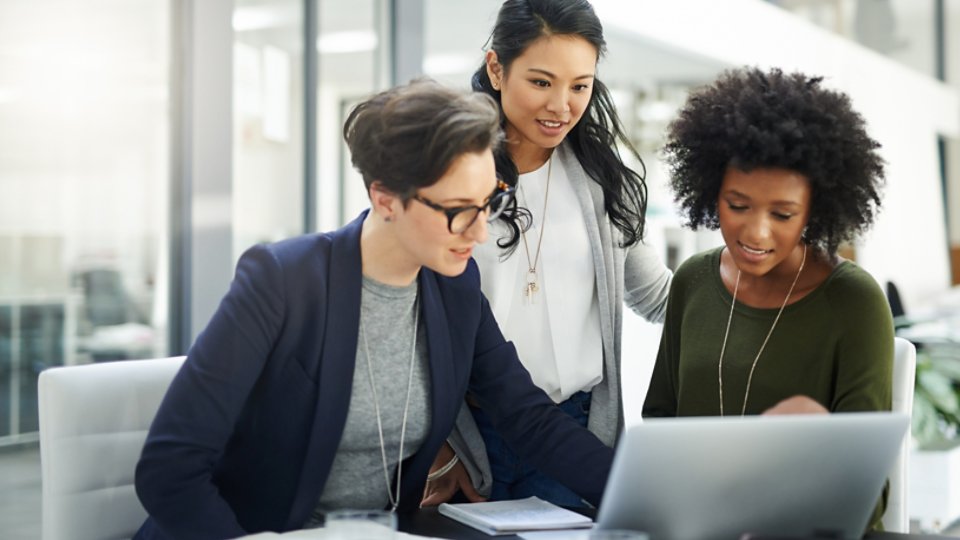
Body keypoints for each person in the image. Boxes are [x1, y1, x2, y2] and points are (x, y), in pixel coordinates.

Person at [132, 79, 614, 540]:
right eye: (458, 210)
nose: (479, 232)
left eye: (488, 204)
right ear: (384, 197)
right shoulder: (283, 281)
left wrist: (635, 491)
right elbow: (169, 469)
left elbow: (527, 417)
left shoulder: (455, 288)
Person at [421, 0, 672, 508]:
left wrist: (766, 280)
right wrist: (439, 448)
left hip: (575, 433)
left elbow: (658, 296)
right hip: (472, 438)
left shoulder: (604, 183)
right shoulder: (447, 177)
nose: (562, 105)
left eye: (580, 86)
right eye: (541, 82)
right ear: (496, 68)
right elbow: (409, 321)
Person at [642, 67, 893, 530]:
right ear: (710, 191)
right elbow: (660, 423)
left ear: (815, 211)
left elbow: (867, 490)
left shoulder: (854, 303)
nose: (755, 232)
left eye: (783, 213)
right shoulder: (693, 281)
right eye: (737, 206)